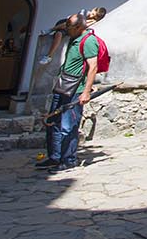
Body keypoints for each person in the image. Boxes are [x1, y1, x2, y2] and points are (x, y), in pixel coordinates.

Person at [37, 12, 100, 173]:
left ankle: (68, 159)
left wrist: (86, 92)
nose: (67, 30)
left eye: (69, 27)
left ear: (79, 27)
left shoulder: (89, 41)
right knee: (53, 123)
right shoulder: (74, 36)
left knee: (68, 126)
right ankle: (55, 157)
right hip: (62, 85)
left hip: (75, 89)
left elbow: (93, 67)